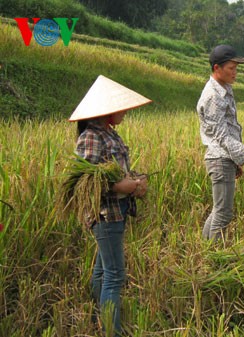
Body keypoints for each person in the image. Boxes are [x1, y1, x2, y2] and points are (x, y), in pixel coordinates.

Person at [69, 75, 152, 336]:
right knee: (115, 275)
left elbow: (114, 171)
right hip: (105, 215)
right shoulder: (91, 137)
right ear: (107, 109)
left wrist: (137, 180)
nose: (125, 111)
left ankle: (100, 318)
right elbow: (86, 179)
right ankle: (110, 330)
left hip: (118, 211)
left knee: (104, 268)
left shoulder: (109, 134)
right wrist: (119, 187)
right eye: (121, 106)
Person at [197, 45, 244, 242]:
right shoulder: (214, 96)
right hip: (219, 159)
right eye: (231, 68)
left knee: (219, 210)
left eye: (235, 68)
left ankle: (206, 248)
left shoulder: (223, 89)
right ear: (217, 68)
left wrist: (235, 161)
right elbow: (223, 138)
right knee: (223, 213)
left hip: (225, 159)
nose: (235, 73)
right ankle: (215, 255)